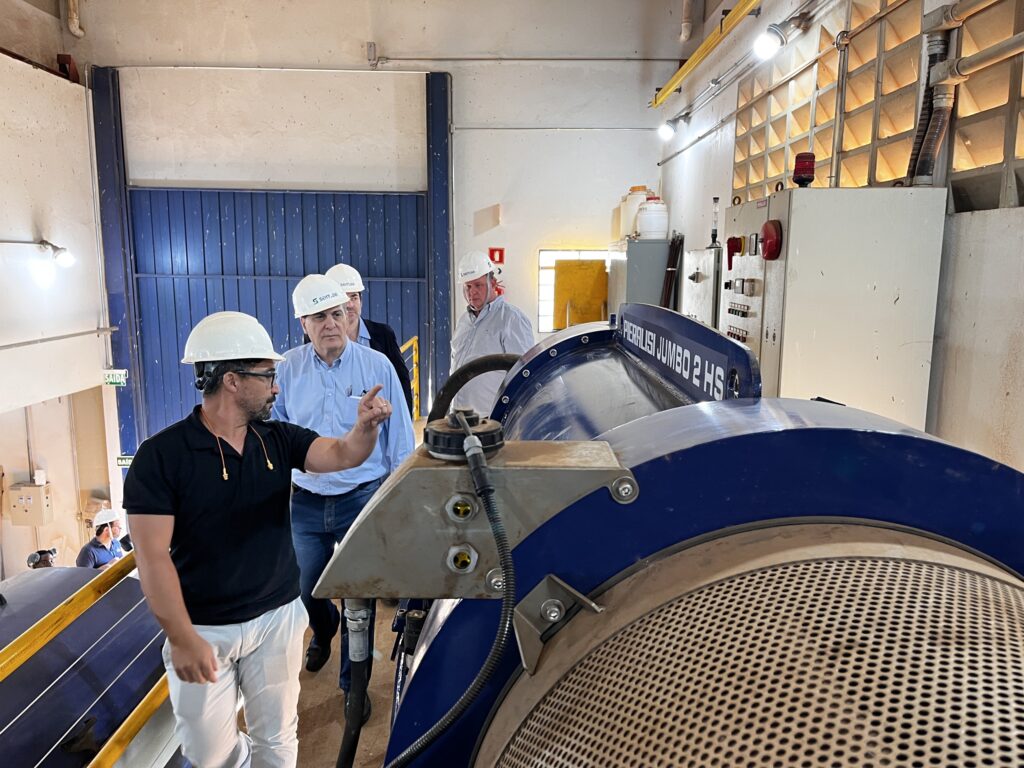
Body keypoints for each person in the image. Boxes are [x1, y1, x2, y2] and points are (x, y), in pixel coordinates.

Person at [124, 310, 392, 768]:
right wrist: (182, 636)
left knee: (279, 737)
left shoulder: (276, 438)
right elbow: (152, 558)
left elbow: (342, 453)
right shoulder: (160, 457)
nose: (276, 387)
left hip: (276, 618)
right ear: (231, 379)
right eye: (267, 376)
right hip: (204, 628)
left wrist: (363, 430)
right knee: (209, 754)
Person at [272, 275, 415, 717]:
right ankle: (323, 626)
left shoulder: (376, 366)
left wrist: (396, 502)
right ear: (302, 322)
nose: (331, 324)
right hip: (307, 499)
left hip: (362, 496)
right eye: (320, 316)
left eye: (337, 313)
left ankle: (355, 686)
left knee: (362, 594)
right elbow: (275, 438)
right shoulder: (286, 370)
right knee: (306, 587)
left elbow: (402, 440)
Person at [450, 250, 535, 415]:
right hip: (460, 417)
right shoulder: (463, 322)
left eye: (478, 285)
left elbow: (524, 373)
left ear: (493, 283)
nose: (471, 292)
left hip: (492, 420)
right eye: (467, 286)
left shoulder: (511, 319)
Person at [325, 262, 415, 416]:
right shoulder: (319, 339)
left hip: (376, 423)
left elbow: (401, 382)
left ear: (361, 300)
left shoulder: (382, 334)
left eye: (354, 297)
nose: (350, 304)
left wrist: (405, 421)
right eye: (343, 298)